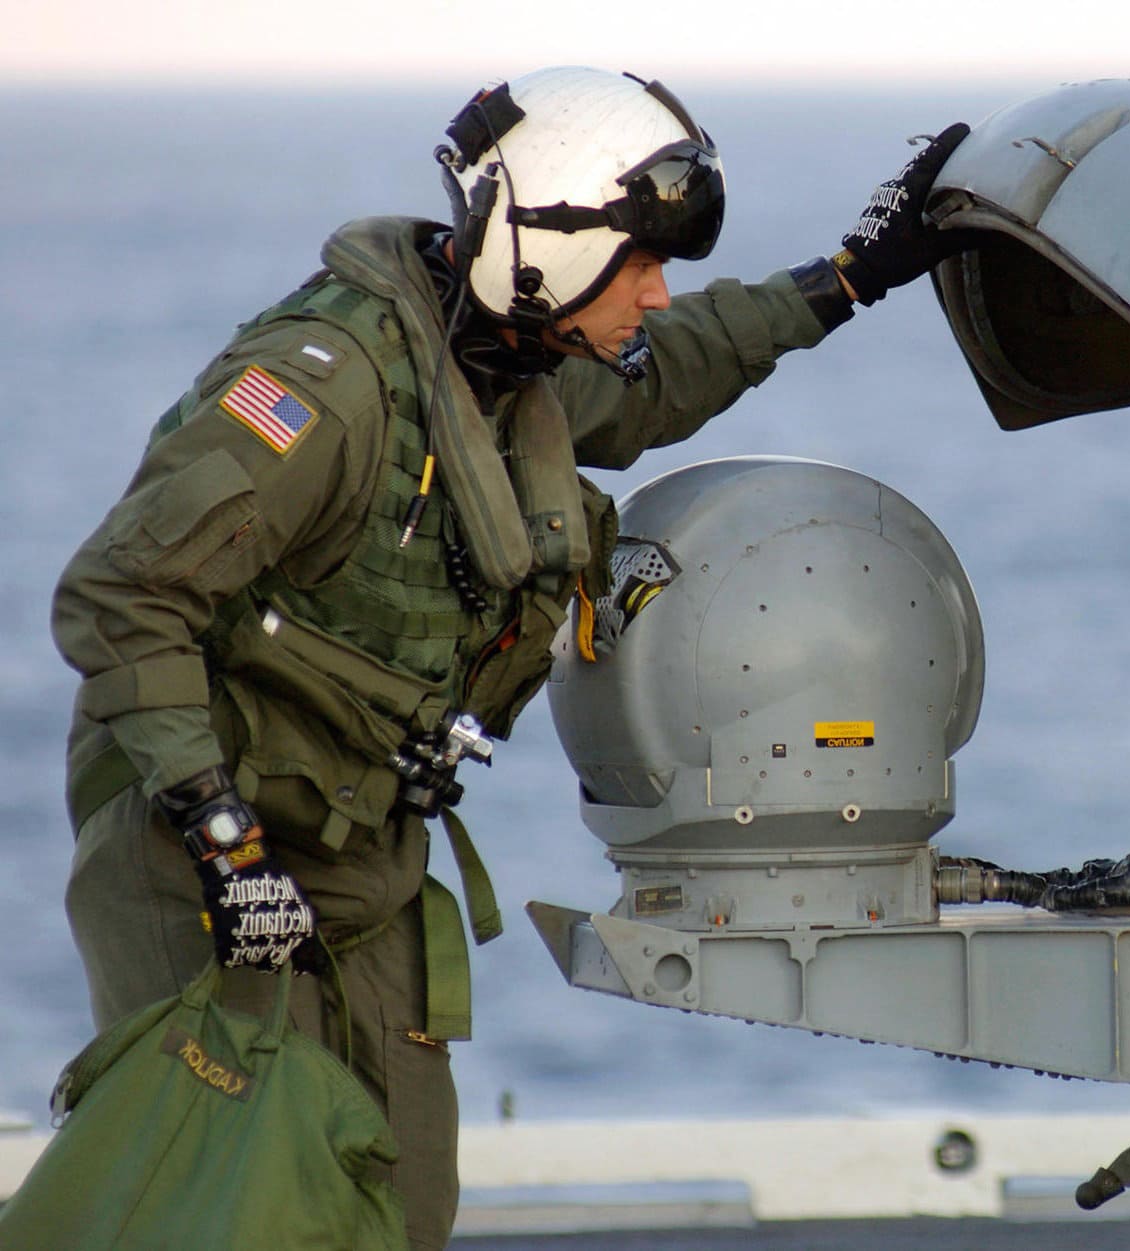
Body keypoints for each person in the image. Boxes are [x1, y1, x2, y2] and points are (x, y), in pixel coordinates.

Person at [51, 65, 968, 1249]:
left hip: (358, 851)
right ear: (539, 249)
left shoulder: (503, 368)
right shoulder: (322, 394)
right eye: (638, 262)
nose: (659, 294)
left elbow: (661, 383)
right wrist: (228, 850)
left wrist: (846, 280)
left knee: (397, 1201)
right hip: (203, 852)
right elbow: (123, 596)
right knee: (230, 1200)